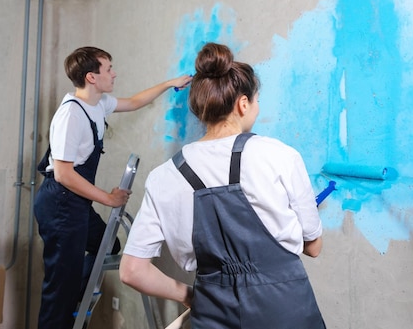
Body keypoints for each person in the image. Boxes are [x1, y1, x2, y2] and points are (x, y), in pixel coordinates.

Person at [119, 42, 326, 328]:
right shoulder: (279, 155)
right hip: (284, 311)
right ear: (243, 104)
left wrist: (192, 296)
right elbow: (313, 247)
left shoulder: (162, 177)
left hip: (211, 313)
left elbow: (131, 271)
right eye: (256, 101)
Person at [34, 46, 192, 329]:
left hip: (75, 202)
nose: (114, 73)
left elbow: (133, 102)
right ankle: (67, 303)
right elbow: (63, 174)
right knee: (59, 289)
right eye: (108, 69)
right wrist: (108, 199)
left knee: (109, 245)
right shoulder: (71, 115)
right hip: (59, 203)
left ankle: (78, 294)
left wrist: (170, 83)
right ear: (92, 77)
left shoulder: (98, 104)